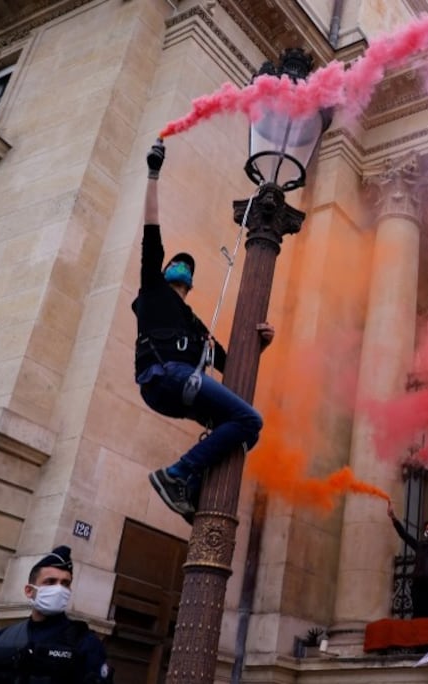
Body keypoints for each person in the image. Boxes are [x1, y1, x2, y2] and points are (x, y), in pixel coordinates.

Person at [136, 139, 274, 519]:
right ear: (164, 272)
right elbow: (151, 231)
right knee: (250, 419)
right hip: (166, 378)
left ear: (191, 284)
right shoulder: (152, 291)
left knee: (247, 430)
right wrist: (153, 173)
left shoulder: (195, 326)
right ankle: (177, 474)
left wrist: (260, 345)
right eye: (176, 263)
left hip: (173, 388)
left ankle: (190, 494)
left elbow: (231, 366)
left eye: (187, 266)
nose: (181, 266)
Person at [0, 546, 113, 683]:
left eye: (65, 583)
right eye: (50, 582)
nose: (59, 589)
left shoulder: (85, 643)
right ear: (29, 590)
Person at [388, 500, 428, 618]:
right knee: (418, 613)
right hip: (419, 583)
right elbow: (405, 536)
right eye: (427, 529)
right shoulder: (420, 545)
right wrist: (394, 519)